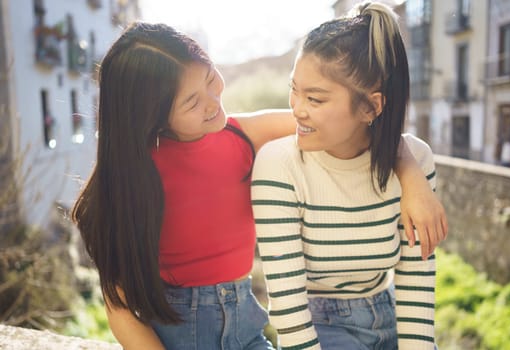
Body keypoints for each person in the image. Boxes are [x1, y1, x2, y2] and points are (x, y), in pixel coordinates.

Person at [71, 20, 446, 350]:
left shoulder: (242, 136)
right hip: (178, 335)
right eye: (191, 102)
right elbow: (119, 309)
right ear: (153, 115)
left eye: (209, 78)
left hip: (247, 327)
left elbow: (355, 126)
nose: (213, 101)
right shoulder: (132, 178)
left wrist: (412, 176)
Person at [251, 2, 443, 349]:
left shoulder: (416, 160)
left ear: (371, 107)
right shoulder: (278, 165)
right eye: (294, 89)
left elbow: (417, 286)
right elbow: (288, 309)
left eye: (315, 98)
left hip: (389, 314)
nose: (297, 108)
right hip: (317, 326)